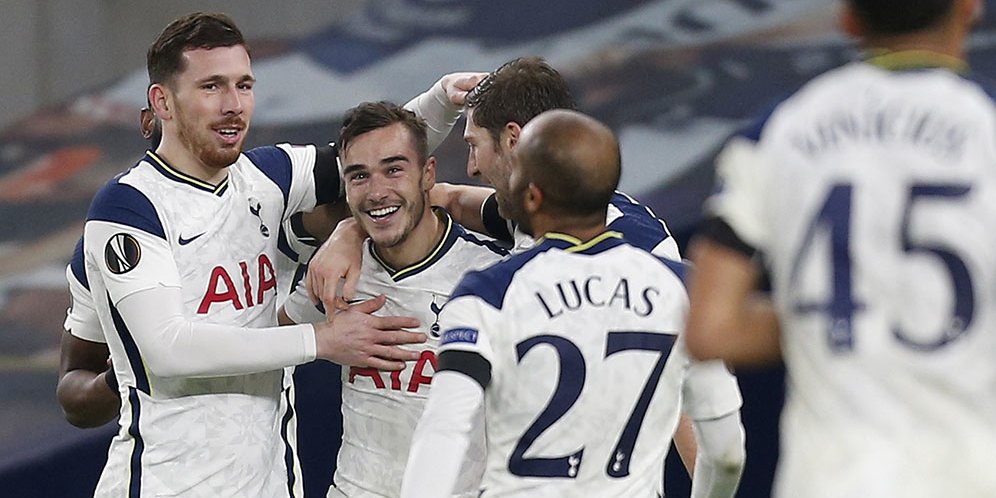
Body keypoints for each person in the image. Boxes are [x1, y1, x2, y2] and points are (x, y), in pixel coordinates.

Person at [73, 11, 470, 496]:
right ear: (163, 102)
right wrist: (320, 340)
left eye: (244, 86)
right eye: (212, 87)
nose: (233, 105)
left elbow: (376, 161)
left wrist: (442, 99)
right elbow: (167, 349)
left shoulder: (269, 176)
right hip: (166, 484)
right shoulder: (127, 206)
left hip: (271, 482)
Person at [305, 56, 744, 478]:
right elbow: (444, 198)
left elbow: (690, 399)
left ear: (513, 140)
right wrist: (349, 232)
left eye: (474, 145)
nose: (472, 167)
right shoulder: (535, 216)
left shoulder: (638, 249)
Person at [683, 1, 996, 496]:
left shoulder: (779, 130)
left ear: (847, 18)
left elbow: (711, 328)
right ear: (970, 8)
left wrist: (836, 315)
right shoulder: (988, 124)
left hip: (826, 478)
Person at [400, 109, 745, 498]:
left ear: (532, 197)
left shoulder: (487, 293)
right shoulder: (683, 288)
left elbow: (444, 430)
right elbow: (726, 454)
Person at [280, 101, 508, 497]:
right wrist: (323, 339)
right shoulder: (333, 272)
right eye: (359, 176)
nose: (377, 192)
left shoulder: (493, 276)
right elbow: (271, 340)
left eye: (394, 170)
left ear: (428, 174)